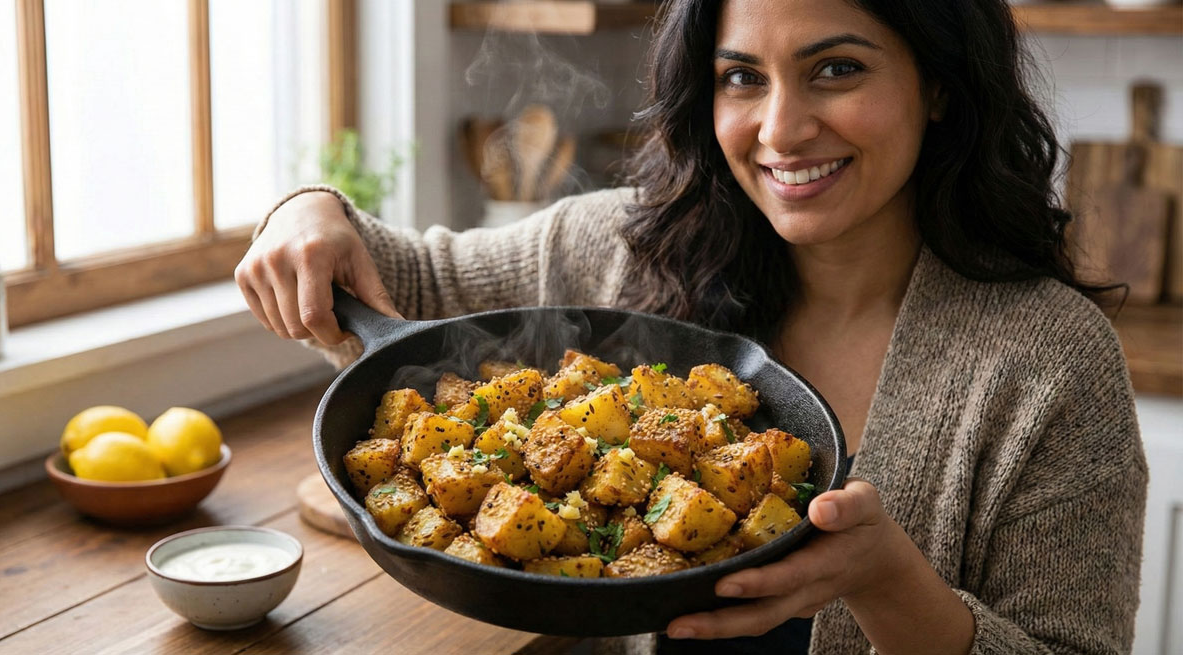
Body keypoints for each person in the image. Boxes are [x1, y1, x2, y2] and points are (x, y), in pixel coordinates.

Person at [236, 0, 1147, 653]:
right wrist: (309, 212)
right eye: (741, 78)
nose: (781, 129)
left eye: (838, 67)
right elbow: (407, 278)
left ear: (939, 85)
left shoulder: (1048, 363)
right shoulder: (626, 249)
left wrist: (889, 585)